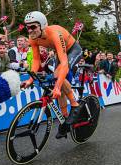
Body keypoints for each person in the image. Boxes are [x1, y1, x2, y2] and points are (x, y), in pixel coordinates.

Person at [21, 11, 82, 139]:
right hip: (60, 52)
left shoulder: (54, 33)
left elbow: (64, 62)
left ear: (42, 25)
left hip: (73, 50)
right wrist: (30, 79)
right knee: (56, 80)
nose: (30, 30)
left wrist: (58, 87)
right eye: (28, 27)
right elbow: (36, 60)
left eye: (33, 27)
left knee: (58, 76)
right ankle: (65, 118)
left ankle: (75, 105)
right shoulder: (32, 38)